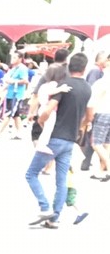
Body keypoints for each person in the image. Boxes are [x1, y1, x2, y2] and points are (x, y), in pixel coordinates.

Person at [26, 52, 92, 229]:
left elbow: (49, 109)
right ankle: (54, 218)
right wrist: (81, 126)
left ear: (69, 66)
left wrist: (40, 121)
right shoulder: (87, 88)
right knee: (61, 180)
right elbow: (89, 114)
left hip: (53, 137)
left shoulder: (64, 85)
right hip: (70, 139)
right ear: (85, 68)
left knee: (31, 174)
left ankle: (45, 207)